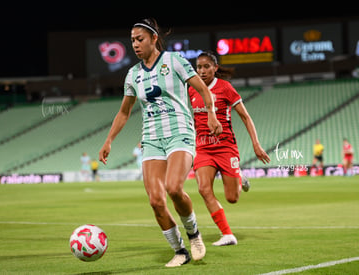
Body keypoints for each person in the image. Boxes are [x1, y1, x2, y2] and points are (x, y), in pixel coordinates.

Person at [99, 18, 222, 267]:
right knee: (156, 200)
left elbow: (202, 88)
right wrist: (109, 140)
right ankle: (179, 251)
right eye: (132, 40)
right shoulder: (132, 74)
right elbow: (124, 112)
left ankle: (194, 234)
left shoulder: (174, 61)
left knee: (174, 187)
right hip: (151, 138)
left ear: (154, 39)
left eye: (140, 39)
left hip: (180, 132)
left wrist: (211, 112)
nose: (135, 44)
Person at [188, 51, 270, 246]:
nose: (202, 71)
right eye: (199, 67)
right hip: (203, 149)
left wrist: (256, 145)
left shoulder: (225, 88)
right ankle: (227, 234)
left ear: (215, 68)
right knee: (203, 189)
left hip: (225, 148)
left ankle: (239, 177)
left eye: (206, 66)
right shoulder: (191, 89)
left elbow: (245, 116)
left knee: (232, 198)